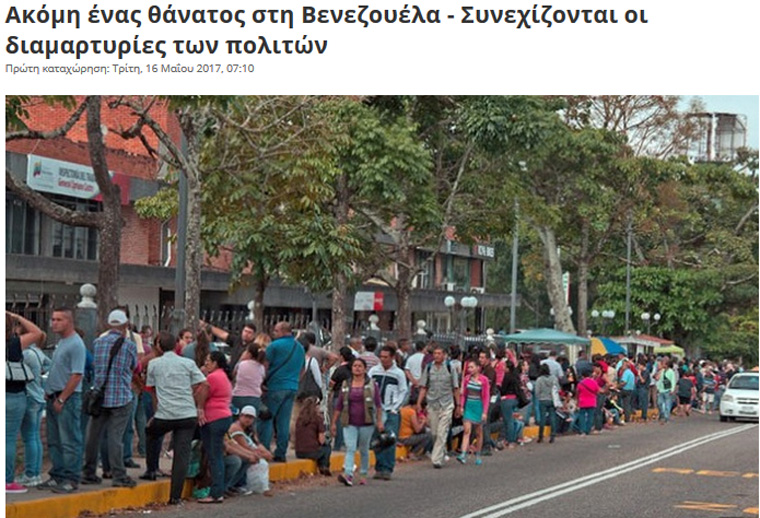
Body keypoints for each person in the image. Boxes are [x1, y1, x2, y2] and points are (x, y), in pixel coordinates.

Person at [139, 331, 208, 505]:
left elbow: (152, 390)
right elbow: (204, 383)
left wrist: (156, 412)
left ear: (158, 346)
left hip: (165, 414)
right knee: (181, 454)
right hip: (187, 414)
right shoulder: (188, 363)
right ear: (176, 345)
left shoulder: (154, 364)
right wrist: (198, 404)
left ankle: (151, 469)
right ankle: (175, 497)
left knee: (151, 433)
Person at [81, 309, 139, 489]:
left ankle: (89, 471)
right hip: (121, 396)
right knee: (116, 438)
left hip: (100, 396)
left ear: (108, 324)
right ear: (125, 325)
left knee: (93, 436)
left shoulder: (98, 343)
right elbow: (134, 366)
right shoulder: (129, 345)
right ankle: (118, 474)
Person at [39, 308, 87, 494]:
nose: (54, 323)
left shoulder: (76, 344)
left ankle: (72, 478)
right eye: (53, 319)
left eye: (59, 319)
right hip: (54, 396)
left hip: (67, 398)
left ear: (69, 321)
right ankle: (57, 474)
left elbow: (76, 375)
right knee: (54, 440)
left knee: (69, 440)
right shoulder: (62, 342)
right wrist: (49, 392)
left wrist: (62, 398)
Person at [6, 311, 44, 494]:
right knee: (9, 439)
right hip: (14, 395)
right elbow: (38, 333)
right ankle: (6, 480)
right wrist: (17, 317)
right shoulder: (14, 344)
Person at [331, 358, 384, 487]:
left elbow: (378, 405)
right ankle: (348, 474)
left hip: (367, 422)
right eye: (355, 366)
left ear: (365, 369)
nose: (357, 368)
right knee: (350, 448)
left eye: (360, 366)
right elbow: (339, 405)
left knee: (364, 449)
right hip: (349, 422)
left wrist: (379, 421)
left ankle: (363, 473)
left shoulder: (371, 385)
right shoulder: (346, 384)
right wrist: (333, 422)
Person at [259, 322, 304, 463]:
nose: (274, 333)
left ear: (283, 331)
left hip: (275, 386)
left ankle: (265, 450)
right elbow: (302, 369)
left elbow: (265, 366)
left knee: (267, 418)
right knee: (283, 422)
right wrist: (294, 380)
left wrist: (261, 382)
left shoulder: (274, 346)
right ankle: (281, 452)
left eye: (276, 330)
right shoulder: (299, 347)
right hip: (292, 387)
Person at [196, 351, 234, 503]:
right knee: (216, 455)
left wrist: (200, 408)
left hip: (214, 418)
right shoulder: (223, 376)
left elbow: (200, 394)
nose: (206, 363)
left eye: (208, 361)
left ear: (215, 363)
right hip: (223, 417)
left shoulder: (212, 378)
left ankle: (216, 492)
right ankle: (218, 490)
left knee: (214, 456)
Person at [368, 345, 408, 480]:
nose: (383, 359)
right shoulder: (374, 371)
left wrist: (395, 408)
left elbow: (403, 391)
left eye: (386, 357)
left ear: (392, 357)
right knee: (377, 440)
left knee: (389, 439)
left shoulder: (399, 373)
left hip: (391, 410)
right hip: (376, 411)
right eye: (381, 357)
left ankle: (387, 468)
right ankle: (379, 467)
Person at [417, 344, 460, 469]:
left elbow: (455, 388)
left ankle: (436, 459)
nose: (436, 356)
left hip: (447, 404)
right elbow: (424, 387)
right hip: (432, 404)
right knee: (435, 433)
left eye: (439, 353)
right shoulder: (429, 368)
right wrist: (419, 403)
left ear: (444, 355)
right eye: (435, 353)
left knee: (442, 432)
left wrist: (458, 405)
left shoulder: (450, 368)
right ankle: (441, 452)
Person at [18, 327, 50, 489]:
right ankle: (35, 473)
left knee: (29, 437)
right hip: (38, 395)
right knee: (34, 436)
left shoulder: (25, 354)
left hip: (29, 396)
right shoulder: (38, 352)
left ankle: (30, 474)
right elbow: (50, 366)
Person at [227, 406, 273, 496]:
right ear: (240, 416)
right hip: (234, 452)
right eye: (246, 416)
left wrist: (266, 453)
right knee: (242, 460)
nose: (248, 420)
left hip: (242, 451)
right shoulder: (236, 428)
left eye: (251, 418)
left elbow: (257, 443)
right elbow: (244, 447)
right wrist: (254, 455)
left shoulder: (249, 429)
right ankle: (231, 484)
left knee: (252, 459)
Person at [457, 358, 489, 465]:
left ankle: (478, 454)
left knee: (478, 432)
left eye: (472, 367)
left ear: (477, 368)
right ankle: (463, 454)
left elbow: (486, 397)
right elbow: (463, 394)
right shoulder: (466, 379)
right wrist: (462, 406)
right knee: (467, 430)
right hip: (469, 406)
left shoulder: (484, 380)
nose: (470, 369)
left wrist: (484, 412)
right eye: (469, 367)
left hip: (478, 406)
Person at [295, 396, 332, 476]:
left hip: (299, 452)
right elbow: (321, 440)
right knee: (327, 447)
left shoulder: (299, 419)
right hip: (311, 452)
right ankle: (324, 466)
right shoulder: (318, 419)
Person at [232, 342, 266, 413]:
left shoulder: (241, 364)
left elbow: (233, 375)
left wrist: (241, 359)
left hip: (238, 395)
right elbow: (261, 381)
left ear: (249, 354)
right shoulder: (261, 367)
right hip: (255, 397)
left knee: (237, 417)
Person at [498, 361, 522, 449]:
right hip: (514, 399)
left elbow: (503, 389)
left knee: (508, 421)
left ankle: (510, 440)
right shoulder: (515, 376)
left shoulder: (507, 376)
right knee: (511, 420)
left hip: (507, 400)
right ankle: (511, 439)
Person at [535, 364, 559, 444]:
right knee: (552, 418)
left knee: (542, 418)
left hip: (543, 400)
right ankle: (552, 436)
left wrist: (539, 397)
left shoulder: (539, 379)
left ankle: (541, 436)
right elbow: (557, 388)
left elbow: (537, 391)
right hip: (552, 400)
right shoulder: (554, 378)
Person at [577, 369, 599, 435]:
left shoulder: (580, 383)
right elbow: (597, 391)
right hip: (592, 401)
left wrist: (577, 401)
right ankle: (588, 430)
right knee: (590, 416)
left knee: (582, 416)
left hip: (582, 401)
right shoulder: (594, 382)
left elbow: (577, 392)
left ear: (582, 376)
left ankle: (582, 430)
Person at [655, 358, 676, 424]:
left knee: (667, 405)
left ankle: (666, 417)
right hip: (661, 390)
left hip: (667, 390)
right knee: (659, 403)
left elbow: (673, 380)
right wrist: (658, 387)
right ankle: (662, 414)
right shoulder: (662, 371)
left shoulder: (671, 372)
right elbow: (658, 379)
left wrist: (672, 389)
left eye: (663, 363)